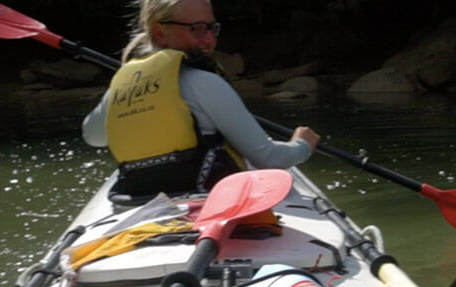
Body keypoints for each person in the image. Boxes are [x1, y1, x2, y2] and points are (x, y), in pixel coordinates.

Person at [83, 0, 321, 202]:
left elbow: (93, 137)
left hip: (136, 197)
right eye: (196, 29)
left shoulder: (123, 83)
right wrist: (302, 145)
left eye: (211, 28)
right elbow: (270, 159)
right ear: (159, 33)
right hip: (204, 196)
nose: (209, 40)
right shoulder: (205, 82)